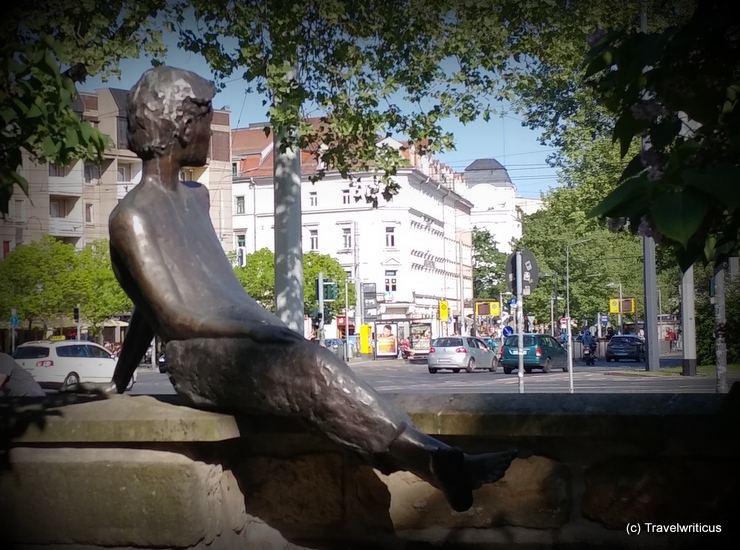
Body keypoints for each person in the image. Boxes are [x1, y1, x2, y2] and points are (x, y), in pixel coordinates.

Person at [92, 66, 515, 513]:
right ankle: (435, 462)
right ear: (182, 126)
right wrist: (254, 332)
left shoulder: (196, 197)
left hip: (240, 332)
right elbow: (170, 314)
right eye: (206, 118)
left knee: (315, 367)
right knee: (310, 366)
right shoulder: (131, 217)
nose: (208, 133)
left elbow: (147, 303)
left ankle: (435, 461)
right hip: (203, 352)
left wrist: (122, 379)